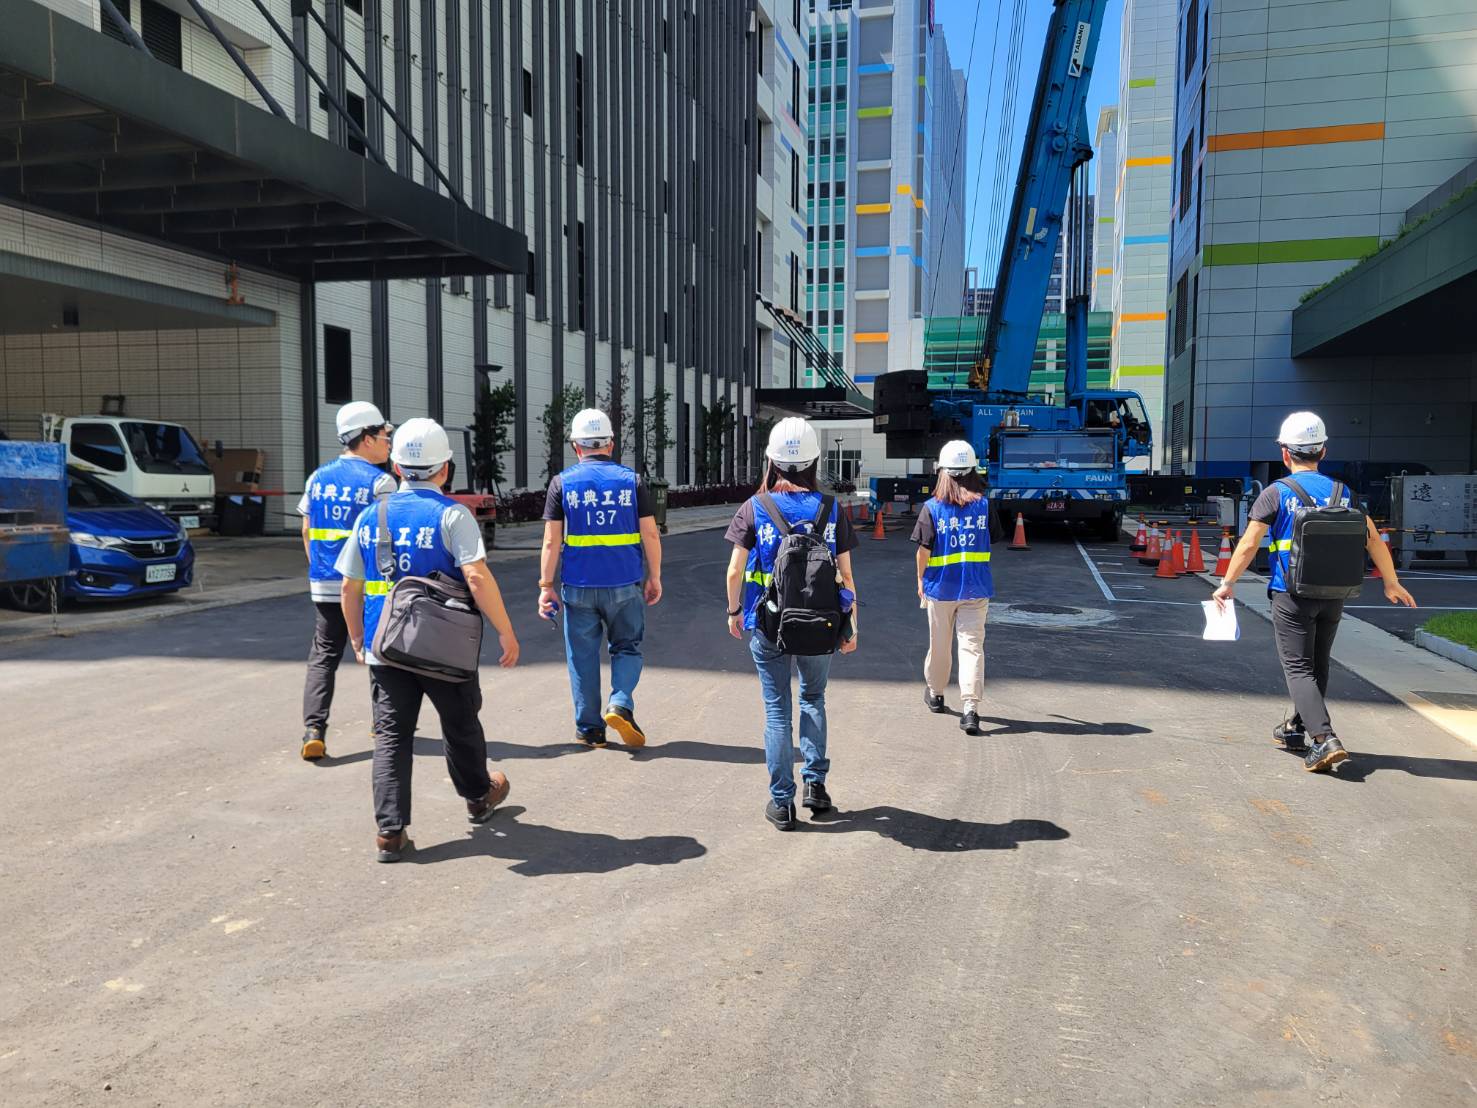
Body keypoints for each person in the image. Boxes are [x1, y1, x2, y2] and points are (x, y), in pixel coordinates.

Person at [338, 418, 521, 862]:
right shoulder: (453, 516)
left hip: (386, 646)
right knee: (460, 724)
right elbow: (476, 577)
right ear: (445, 469)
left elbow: (349, 586)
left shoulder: (371, 515)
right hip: (445, 646)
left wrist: (359, 640)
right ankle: (478, 797)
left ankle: (389, 832)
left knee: (391, 737)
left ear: (397, 467)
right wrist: (505, 630)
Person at [1212, 412, 1416, 772]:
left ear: (1284, 453)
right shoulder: (1344, 492)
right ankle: (1296, 726)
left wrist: (1228, 583)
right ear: (1323, 451)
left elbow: (1249, 544)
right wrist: (1391, 581)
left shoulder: (1276, 493)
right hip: (1334, 593)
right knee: (1318, 664)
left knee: (1298, 668)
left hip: (1291, 594)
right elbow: (1373, 540)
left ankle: (1324, 739)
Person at [723, 417, 859, 831]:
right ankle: (815, 785)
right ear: (814, 461)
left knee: (777, 710)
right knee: (813, 699)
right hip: (822, 623)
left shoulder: (755, 507)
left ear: (771, 461)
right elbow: (847, 576)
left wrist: (734, 612)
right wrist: (851, 626)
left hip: (769, 624)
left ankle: (782, 803)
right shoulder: (831, 508)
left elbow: (734, 571)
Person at [538, 408, 663, 747]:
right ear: (610, 443)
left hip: (578, 587)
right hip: (625, 583)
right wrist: (654, 576)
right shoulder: (632, 481)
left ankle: (590, 729)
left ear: (576, 446)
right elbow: (650, 534)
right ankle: (620, 702)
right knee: (627, 647)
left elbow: (551, 541)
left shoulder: (562, 483)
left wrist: (546, 586)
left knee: (582, 657)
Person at [296, 401, 396, 760]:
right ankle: (383, 723)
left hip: (324, 583)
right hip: (367, 586)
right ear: (366, 438)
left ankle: (314, 730)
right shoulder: (381, 482)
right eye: (384, 435)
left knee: (324, 655)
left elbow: (306, 529)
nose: (388, 442)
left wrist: (320, 568)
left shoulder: (317, 477)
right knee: (377, 650)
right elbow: (388, 536)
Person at [911, 440, 993, 736]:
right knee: (972, 647)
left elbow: (923, 550)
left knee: (940, 644)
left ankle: (936, 694)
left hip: (940, 588)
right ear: (973, 471)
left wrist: (920, 579)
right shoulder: (985, 506)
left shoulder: (932, 508)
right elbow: (993, 537)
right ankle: (971, 709)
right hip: (976, 588)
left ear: (942, 472)